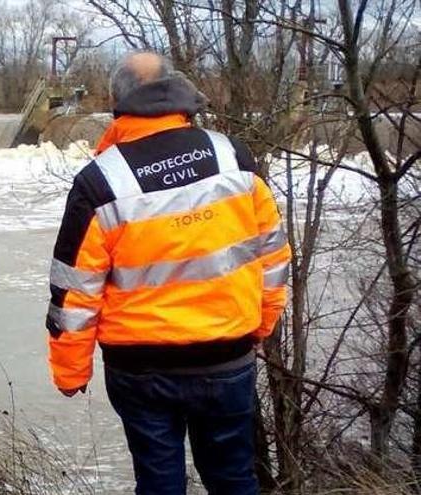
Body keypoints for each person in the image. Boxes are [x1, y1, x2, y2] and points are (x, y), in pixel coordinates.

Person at [46, 52, 292, 495]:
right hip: (227, 356)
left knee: (159, 484)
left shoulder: (100, 181)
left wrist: (70, 369)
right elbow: (273, 254)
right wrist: (262, 322)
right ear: (175, 90)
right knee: (235, 478)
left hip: (141, 370)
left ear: (116, 101)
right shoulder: (232, 155)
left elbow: (76, 289)